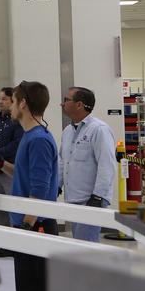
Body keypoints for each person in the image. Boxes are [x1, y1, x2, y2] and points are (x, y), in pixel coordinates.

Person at [8, 80, 61, 291]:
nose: (9, 107)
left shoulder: (38, 140)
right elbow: (28, 177)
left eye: (12, 101)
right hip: (30, 226)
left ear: (23, 104)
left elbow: (38, 192)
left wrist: (26, 228)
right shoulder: (30, 137)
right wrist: (2, 165)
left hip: (35, 227)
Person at [59, 86, 117, 242]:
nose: (62, 104)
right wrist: (57, 186)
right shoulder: (68, 131)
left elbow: (107, 165)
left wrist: (98, 197)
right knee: (80, 244)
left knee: (87, 245)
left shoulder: (99, 130)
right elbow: (63, 162)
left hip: (90, 200)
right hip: (73, 198)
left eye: (66, 100)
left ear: (79, 105)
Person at [0, 87, 24, 196]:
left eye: (4, 99)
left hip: (9, 169)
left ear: (12, 101)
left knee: (12, 205)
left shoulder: (17, 121)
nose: (0, 102)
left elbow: (16, 144)